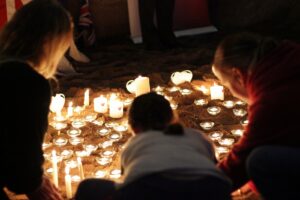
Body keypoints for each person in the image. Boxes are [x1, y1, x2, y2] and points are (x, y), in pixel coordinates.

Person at [75, 92, 231, 200]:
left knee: (87, 187)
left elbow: (127, 179)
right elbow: (215, 165)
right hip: (212, 189)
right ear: (173, 119)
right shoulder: (196, 136)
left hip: (150, 190)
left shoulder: (133, 144)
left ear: (134, 127)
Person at [212, 32, 300, 196]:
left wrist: (197, 188)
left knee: (260, 160)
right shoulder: (291, 56)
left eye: (227, 85)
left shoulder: (271, 100)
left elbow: (239, 163)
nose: (231, 92)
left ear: (238, 75)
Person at [0, 0, 72, 199]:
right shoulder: (28, 82)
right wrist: (34, 183)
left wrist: (34, 177)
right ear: (48, 42)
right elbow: (22, 150)